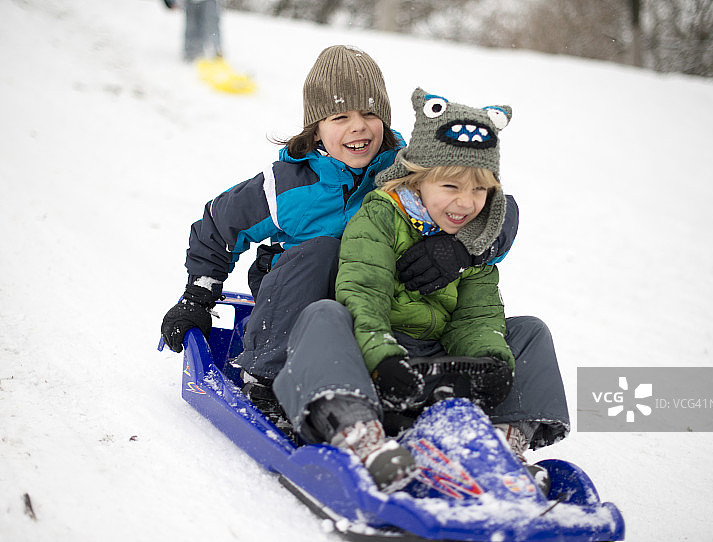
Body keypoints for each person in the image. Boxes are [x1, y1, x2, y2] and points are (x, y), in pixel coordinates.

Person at [160, 46, 520, 490]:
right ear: (315, 128)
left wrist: (461, 247)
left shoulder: (407, 170)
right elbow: (217, 224)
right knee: (323, 251)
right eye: (339, 117)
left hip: (372, 308)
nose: (357, 127)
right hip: (298, 300)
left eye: (369, 113)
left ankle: (381, 386)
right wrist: (198, 294)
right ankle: (267, 376)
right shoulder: (287, 187)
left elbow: (496, 206)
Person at [271, 89, 571, 493]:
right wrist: (382, 358)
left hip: (433, 367)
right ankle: (361, 435)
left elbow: (477, 316)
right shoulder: (379, 216)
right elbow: (363, 295)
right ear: (418, 178)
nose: (467, 203)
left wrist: (489, 361)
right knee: (324, 316)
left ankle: (502, 447)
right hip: (374, 359)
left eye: (480, 191)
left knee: (529, 332)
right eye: (451, 186)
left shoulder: (474, 237)